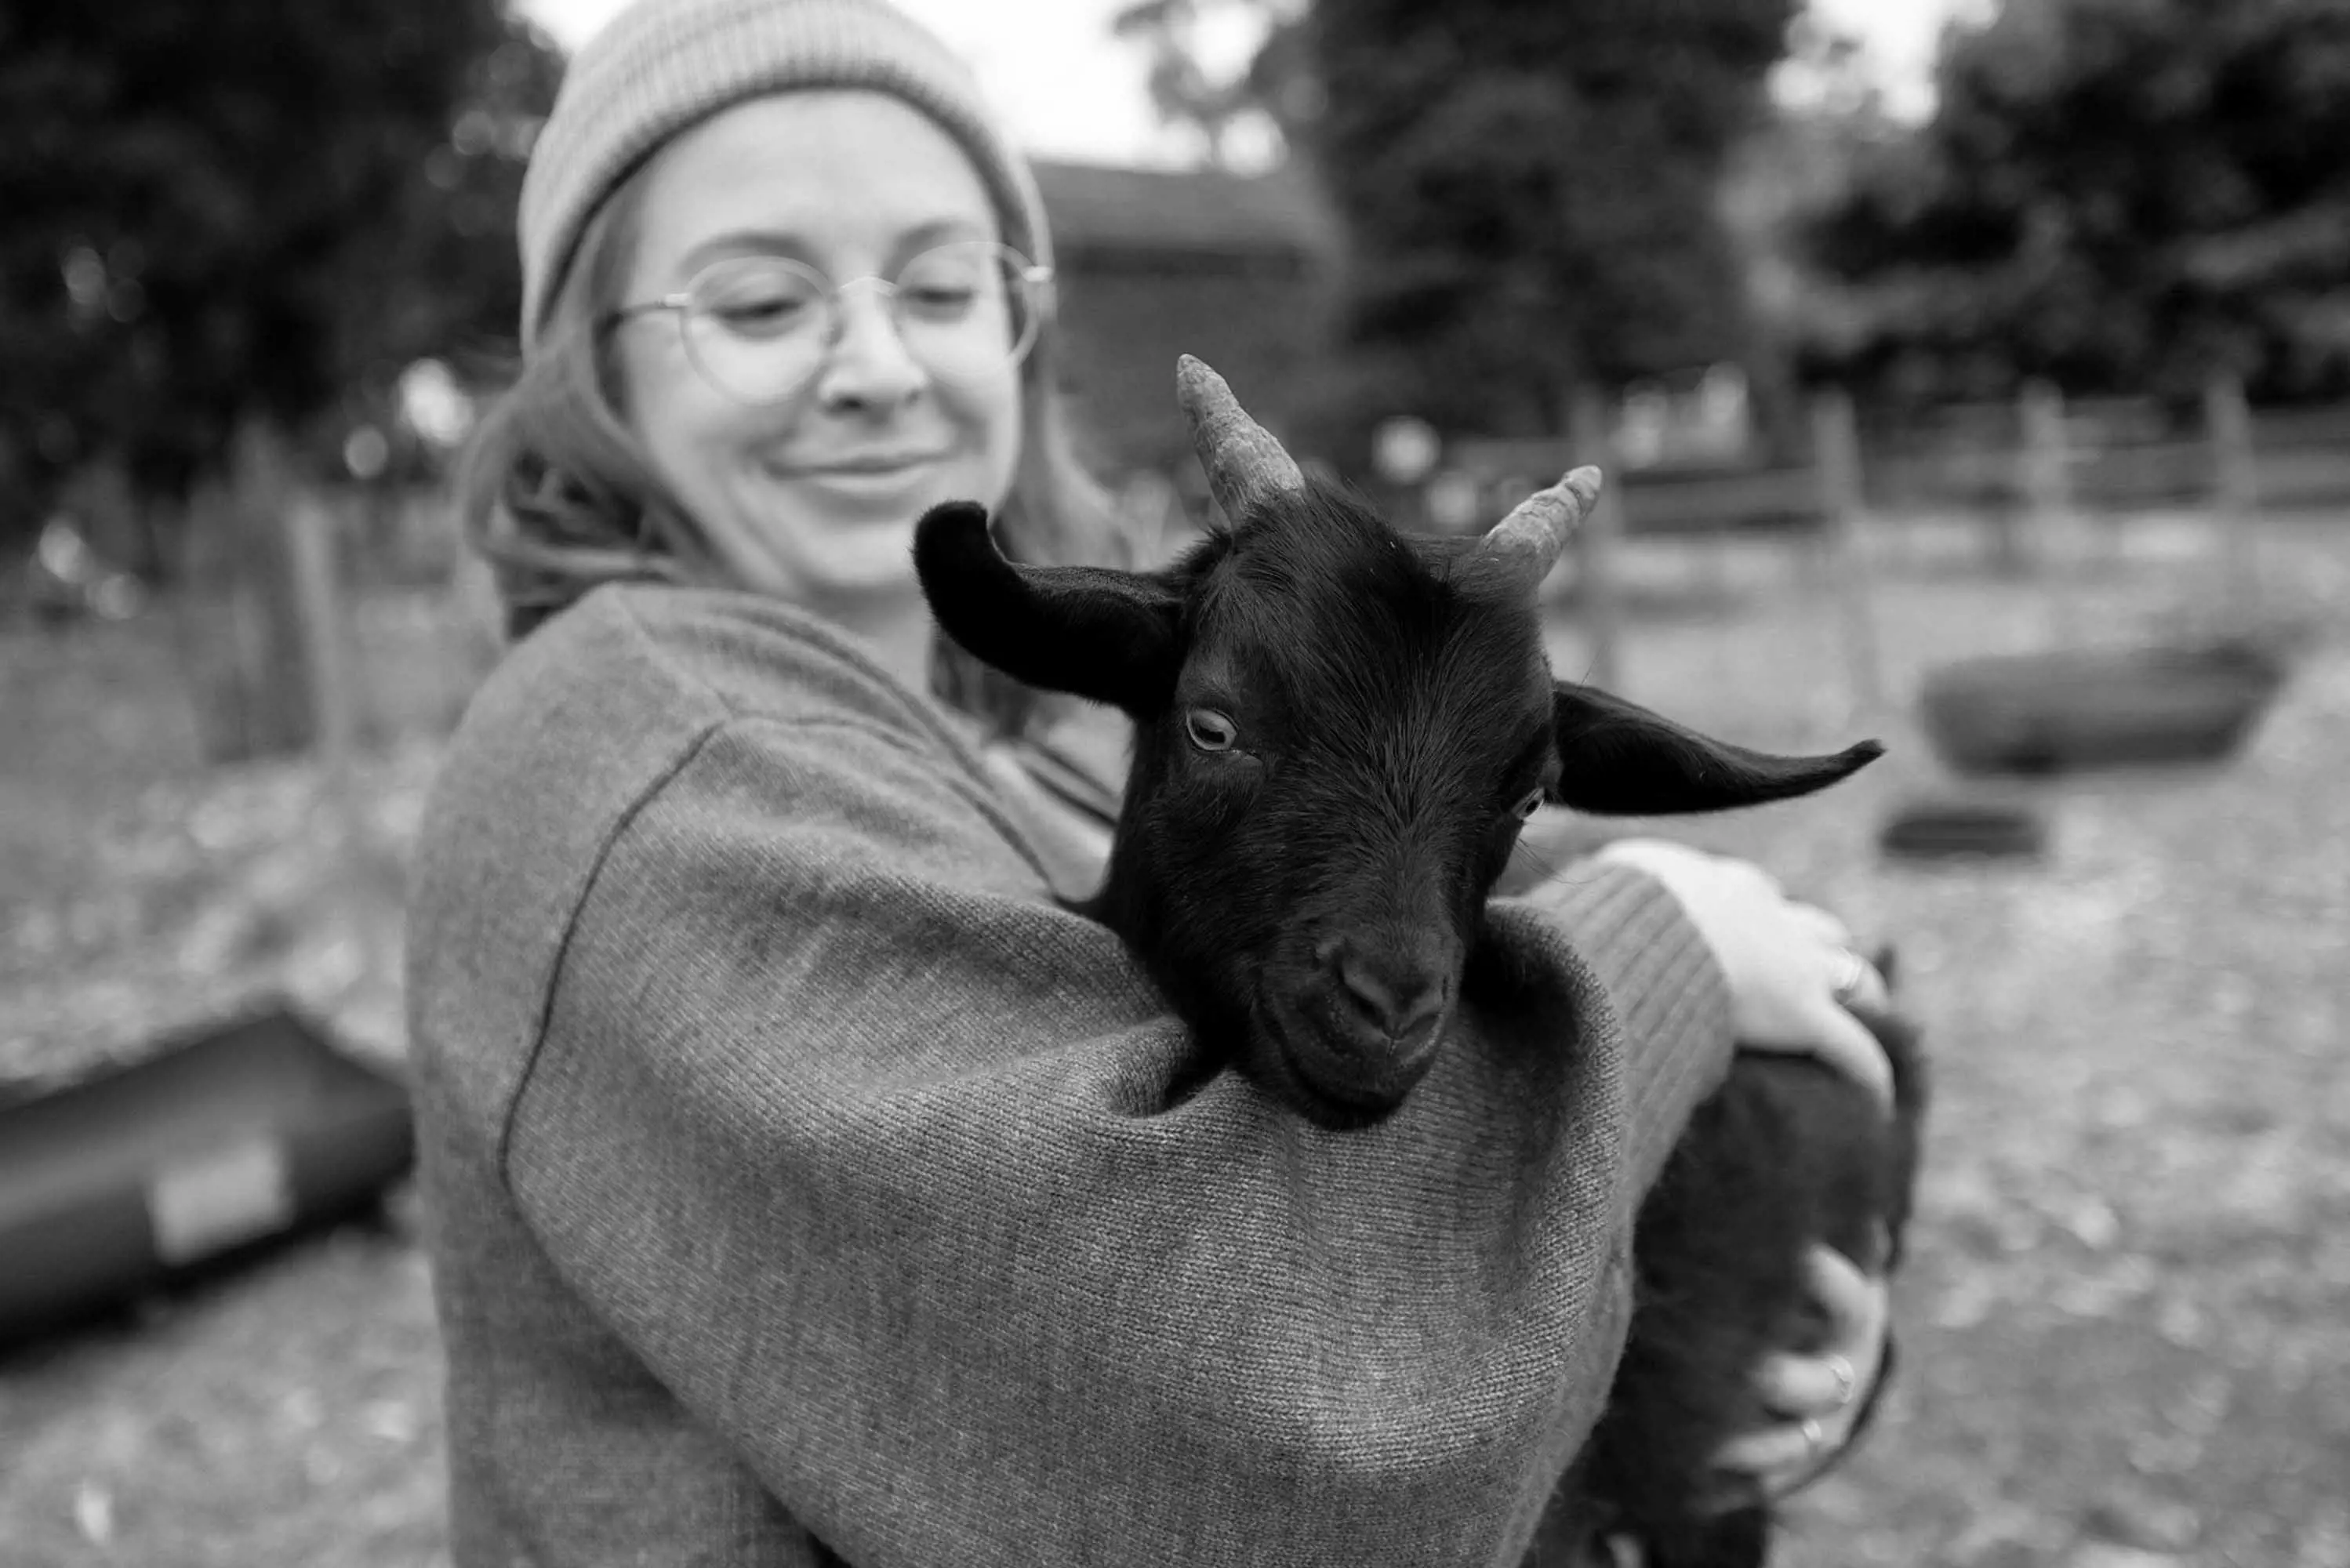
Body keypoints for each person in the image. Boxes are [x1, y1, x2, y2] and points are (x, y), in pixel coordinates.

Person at [406, 1, 1905, 1563]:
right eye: (760, 303)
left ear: (1019, 325)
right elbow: (1270, 1424)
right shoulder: (650, 758)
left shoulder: (1037, 745)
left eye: (938, 284)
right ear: (590, 369)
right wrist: (1665, 956)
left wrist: (1709, 1346)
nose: (874, 366)